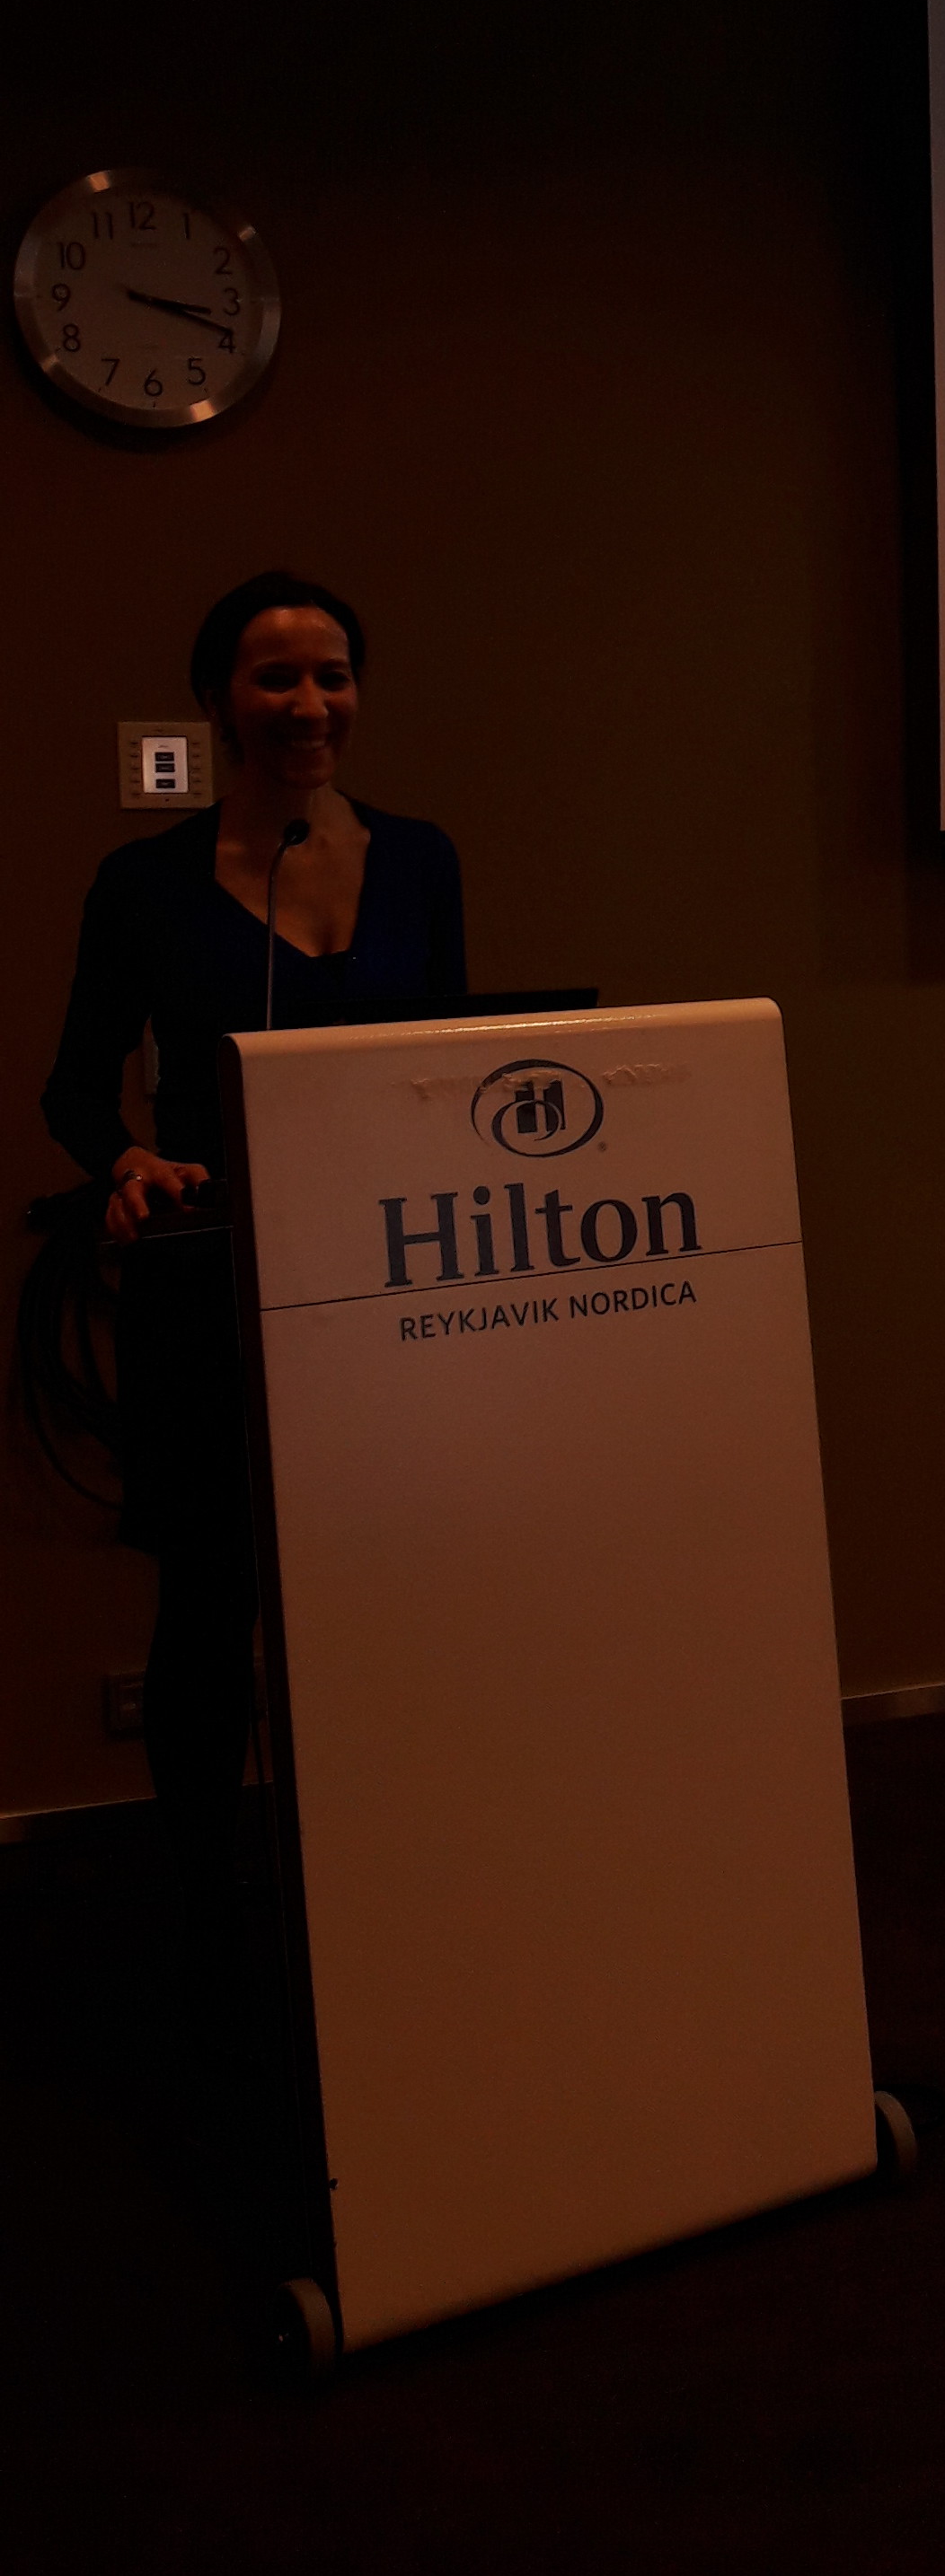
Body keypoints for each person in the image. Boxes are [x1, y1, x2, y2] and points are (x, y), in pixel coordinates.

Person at [41, 572, 466, 1863]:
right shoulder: (142, 883)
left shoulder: (422, 859)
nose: (309, 703)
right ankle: (209, 1898)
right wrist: (126, 1158)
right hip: (209, 1291)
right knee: (210, 1605)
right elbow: (74, 1090)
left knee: (389, 1586)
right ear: (217, 702)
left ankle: (394, 1863)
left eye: (332, 674)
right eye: (276, 677)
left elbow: (449, 1066)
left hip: (387, 1281)